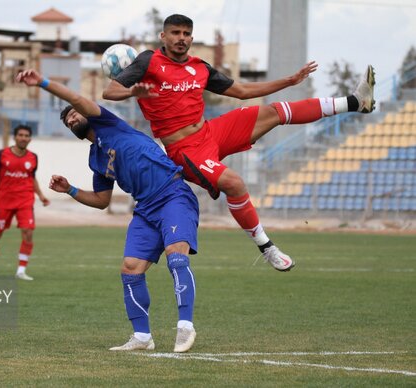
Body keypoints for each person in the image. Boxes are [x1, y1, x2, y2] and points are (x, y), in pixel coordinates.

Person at [103, 14, 376, 272]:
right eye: (175, 33)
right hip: (184, 150)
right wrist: (132, 92)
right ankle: (266, 247)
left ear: (192, 38)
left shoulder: (199, 68)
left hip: (211, 132)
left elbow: (243, 91)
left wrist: (290, 81)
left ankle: (355, 102)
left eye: (186, 33)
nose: (181, 38)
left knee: (275, 111)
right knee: (234, 183)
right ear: (163, 36)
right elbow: (110, 90)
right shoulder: (148, 61)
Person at [17, 68, 200, 353]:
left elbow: (75, 97)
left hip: (172, 193)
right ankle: (142, 337)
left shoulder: (107, 123)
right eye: (67, 121)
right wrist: (70, 190)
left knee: (176, 256)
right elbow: (102, 200)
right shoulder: (96, 158)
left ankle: (185, 327)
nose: (72, 118)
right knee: (130, 268)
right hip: (146, 208)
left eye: (74, 114)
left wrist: (41, 82)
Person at [0, 125, 50, 281]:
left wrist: (41, 195)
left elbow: (31, 178)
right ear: (15, 137)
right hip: (4, 201)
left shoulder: (33, 157)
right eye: (20, 135)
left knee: (28, 232)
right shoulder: (1, 155)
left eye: (26, 135)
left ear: (30, 138)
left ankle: (21, 271)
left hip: (25, 200)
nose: (23, 138)